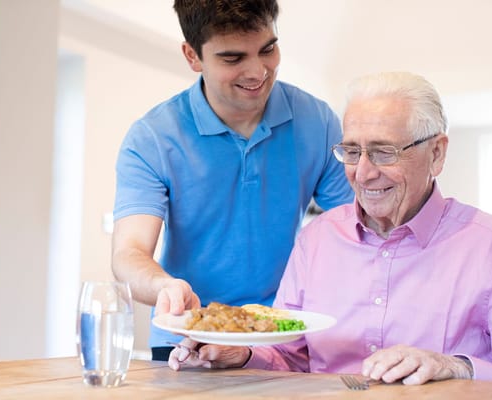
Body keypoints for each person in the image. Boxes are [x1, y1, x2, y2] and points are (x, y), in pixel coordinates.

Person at [168, 71, 492, 384]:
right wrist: (243, 353)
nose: (364, 173)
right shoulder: (317, 239)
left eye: (384, 152)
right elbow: (290, 353)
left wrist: (456, 367)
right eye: (352, 151)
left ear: (436, 153)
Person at [111, 0, 354, 361]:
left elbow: (355, 231)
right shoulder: (153, 138)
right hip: (188, 337)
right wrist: (165, 286)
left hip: (280, 338)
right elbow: (128, 254)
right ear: (193, 56)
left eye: (268, 49)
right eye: (233, 58)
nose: (258, 71)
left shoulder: (318, 121)